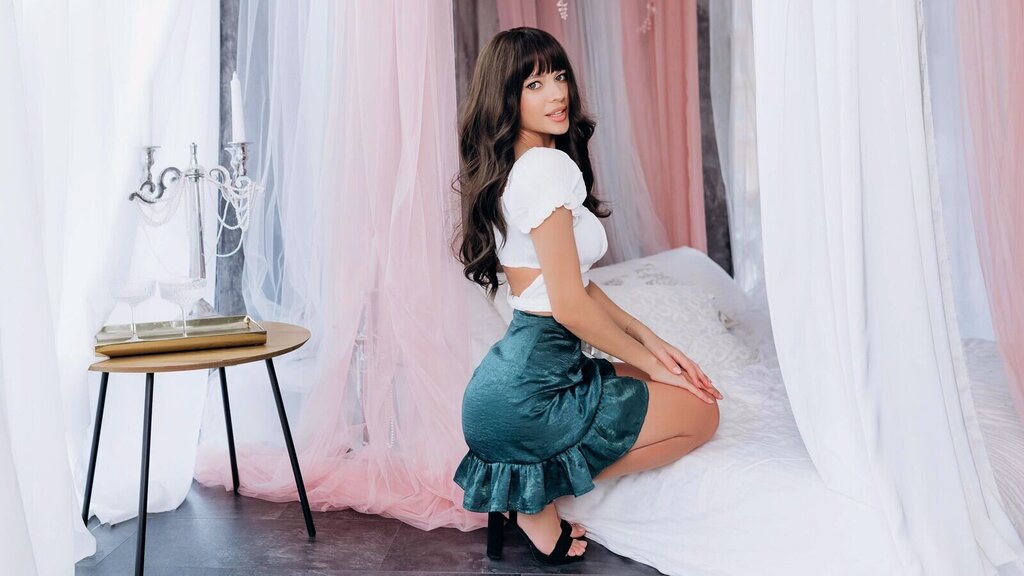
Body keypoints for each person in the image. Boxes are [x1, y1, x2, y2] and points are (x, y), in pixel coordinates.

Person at [451, 26, 722, 566]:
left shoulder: (517, 169)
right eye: (534, 84)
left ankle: (527, 485)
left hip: (508, 389)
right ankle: (532, 495)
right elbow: (570, 307)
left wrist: (653, 344)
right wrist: (653, 362)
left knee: (659, 381)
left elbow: (575, 286)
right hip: (529, 394)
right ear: (506, 98)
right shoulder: (546, 169)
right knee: (703, 413)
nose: (557, 94)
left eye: (559, 76)